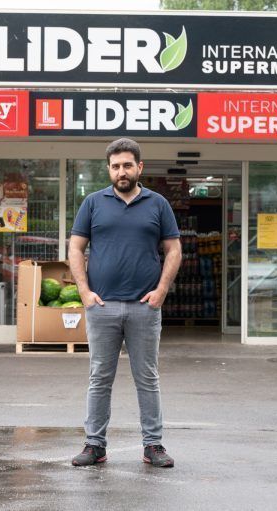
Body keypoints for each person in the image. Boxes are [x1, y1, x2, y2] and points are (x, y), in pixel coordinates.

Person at [68, 138, 182, 468]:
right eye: (116, 166)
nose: (122, 171)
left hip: (144, 307)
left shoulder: (158, 203)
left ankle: (153, 445)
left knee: (147, 378)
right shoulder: (93, 203)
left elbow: (173, 250)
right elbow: (76, 248)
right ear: (109, 169)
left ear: (139, 167)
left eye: (127, 165)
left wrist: (161, 292)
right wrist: (84, 292)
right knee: (99, 378)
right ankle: (94, 444)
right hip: (102, 307)